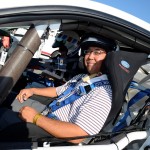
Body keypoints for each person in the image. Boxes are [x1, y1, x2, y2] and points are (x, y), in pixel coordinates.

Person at [0, 33, 117, 143]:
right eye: (88, 51)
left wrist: (36, 118)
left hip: (54, 128)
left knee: (3, 116)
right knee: (8, 97)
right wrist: (32, 90)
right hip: (47, 112)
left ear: (109, 58)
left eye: (97, 52)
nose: (90, 56)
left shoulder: (103, 92)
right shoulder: (83, 77)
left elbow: (79, 134)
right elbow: (57, 91)